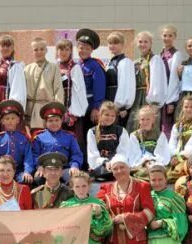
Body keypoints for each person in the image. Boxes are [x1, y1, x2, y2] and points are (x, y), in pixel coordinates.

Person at [31, 101, 82, 184]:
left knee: (72, 179)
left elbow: (76, 154)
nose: (54, 123)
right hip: (45, 168)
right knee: (38, 179)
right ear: (45, 123)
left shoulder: (70, 137)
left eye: (56, 120)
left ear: (61, 121)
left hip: (64, 168)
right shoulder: (39, 138)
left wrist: (74, 166)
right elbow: (34, 155)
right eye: (50, 121)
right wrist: (38, 167)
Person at [75, 29, 107, 163]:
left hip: (90, 105)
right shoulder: (76, 65)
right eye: (81, 47)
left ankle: (91, 163)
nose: (83, 50)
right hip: (78, 106)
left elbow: (99, 88)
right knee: (79, 135)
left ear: (91, 50)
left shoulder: (95, 65)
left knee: (90, 135)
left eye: (86, 48)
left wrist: (96, 108)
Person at [87, 101, 139, 182]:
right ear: (100, 115)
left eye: (112, 116)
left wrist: (113, 163)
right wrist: (105, 162)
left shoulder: (121, 131)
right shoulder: (92, 132)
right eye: (107, 115)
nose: (109, 118)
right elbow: (92, 154)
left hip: (117, 165)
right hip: (100, 167)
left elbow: (124, 152)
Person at [127, 31, 168, 133]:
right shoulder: (136, 62)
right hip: (137, 98)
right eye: (140, 42)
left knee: (149, 126)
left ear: (151, 43)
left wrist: (154, 102)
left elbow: (157, 81)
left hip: (148, 97)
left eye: (146, 42)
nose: (143, 44)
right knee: (134, 125)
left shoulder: (155, 59)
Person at [0, 35, 27, 137]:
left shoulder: (15, 66)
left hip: (5, 100)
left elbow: (18, 87)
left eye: (8, 46)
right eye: (3, 46)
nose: (5, 48)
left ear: (13, 48)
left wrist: (11, 107)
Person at [0, 99, 34, 184]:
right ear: (2, 121)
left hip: (19, 172)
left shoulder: (24, 138)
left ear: (18, 120)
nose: (10, 121)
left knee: (26, 180)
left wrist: (27, 171)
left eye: (13, 118)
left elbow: (28, 157)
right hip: (2, 171)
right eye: (7, 118)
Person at [24, 37, 64, 131]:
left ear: (46, 50)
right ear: (32, 51)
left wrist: (56, 111)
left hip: (48, 109)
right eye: (36, 50)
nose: (39, 52)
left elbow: (58, 90)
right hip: (31, 111)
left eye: (41, 49)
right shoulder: (27, 69)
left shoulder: (54, 68)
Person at [166, 95, 192, 182]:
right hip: (175, 157)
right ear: (182, 108)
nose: (189, 109)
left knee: (175, 172)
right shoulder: (177, 125)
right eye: (186, 107)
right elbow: (172, 143)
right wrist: (173, 156)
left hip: (190, 158)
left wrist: (180, 157)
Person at [56, 39, 88, 141]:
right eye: (60, 49)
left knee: (74, 138)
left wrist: (74, 112)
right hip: (58, 109)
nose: (63, 52)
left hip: (72, 109)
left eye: (66, 49)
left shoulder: (75, 68)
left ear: (71, 51)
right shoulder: (54, 67)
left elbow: (79, 91)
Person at [160, 24, 188, 139]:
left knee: (170, 126)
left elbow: (174, 79)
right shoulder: (160, 54)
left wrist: (170, 101)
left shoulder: (176, 55)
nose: (167, 38)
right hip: (162, 96)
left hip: (171, 97)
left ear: (174, 37)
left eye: (170, 35)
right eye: (165, 35)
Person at [104, 32, 136, 129]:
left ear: (122, 45)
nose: (112, 46)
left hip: (118, 104)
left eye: (115, 43)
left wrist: (122, 106)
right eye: (110, 43)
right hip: (109, 99)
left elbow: (126, 85)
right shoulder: (110, 62)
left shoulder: (125, 62)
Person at [130, 105, 170, 180]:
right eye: (142, 119)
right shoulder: (134, 135)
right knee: (141, 173)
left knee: (158, 171)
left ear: (153, 120)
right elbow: (134, 154)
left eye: (148, 119)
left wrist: (153, 160)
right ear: (139, 120)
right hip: (141, 163)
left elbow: (162, 153)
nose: (145, 122)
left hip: (156, 162)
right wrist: (144, 162)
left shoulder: (159, 135)